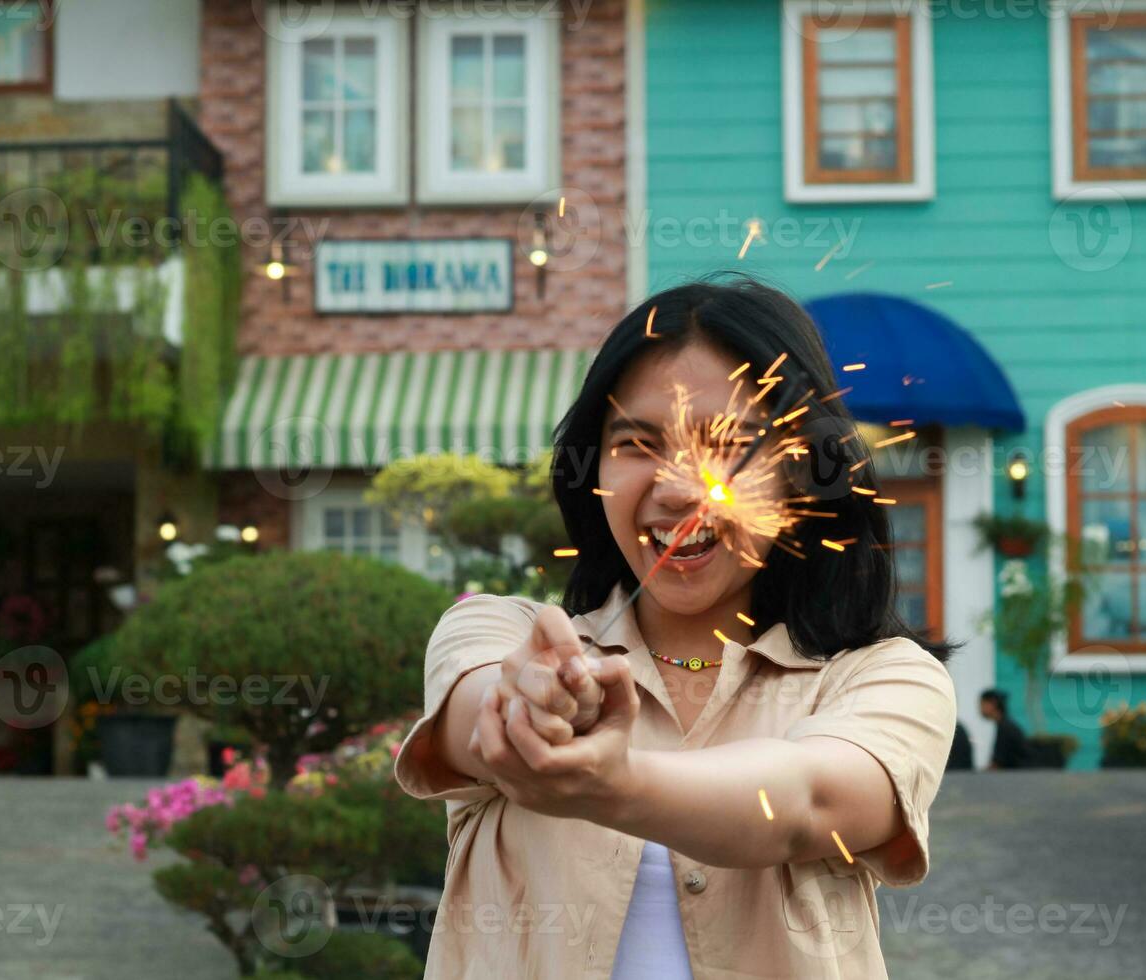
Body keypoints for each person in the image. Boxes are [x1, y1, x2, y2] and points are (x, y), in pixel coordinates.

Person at [394, 276, 959, 979]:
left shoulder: (885, 678)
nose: (679, 487)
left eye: (727, 443)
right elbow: (483, 717)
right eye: (637, 442)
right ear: (592, 468)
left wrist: (613, 785)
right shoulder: (498, 636)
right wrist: (530, 710)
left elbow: (807, 803)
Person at [979, 689, 1031, 770]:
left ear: (993, 704)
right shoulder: (1006, 725)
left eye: (982, 704)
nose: (980, 708)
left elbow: (997, 764)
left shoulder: (1005, 729)